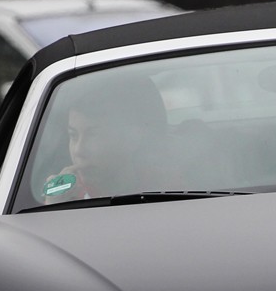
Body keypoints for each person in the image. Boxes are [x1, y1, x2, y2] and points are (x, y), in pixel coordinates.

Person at [41, 75, 177, 202]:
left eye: (93, 135)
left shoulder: (166, 190)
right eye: (73, 135)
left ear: (131, 140)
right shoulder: (65, 198)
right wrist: (52, 205)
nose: (78, 150)